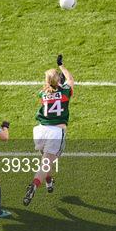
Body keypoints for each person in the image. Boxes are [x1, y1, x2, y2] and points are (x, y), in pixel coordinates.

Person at [23, 54, 74, 206]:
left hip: (40, 131)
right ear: (59, 80)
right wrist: (62, 66)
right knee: (46, 164)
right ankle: (34, 185)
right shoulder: (65, 92)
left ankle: (49, 181)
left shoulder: (42, 94)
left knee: (46, 161)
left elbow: (50, 90)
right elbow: (70, 80)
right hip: (56, 133)